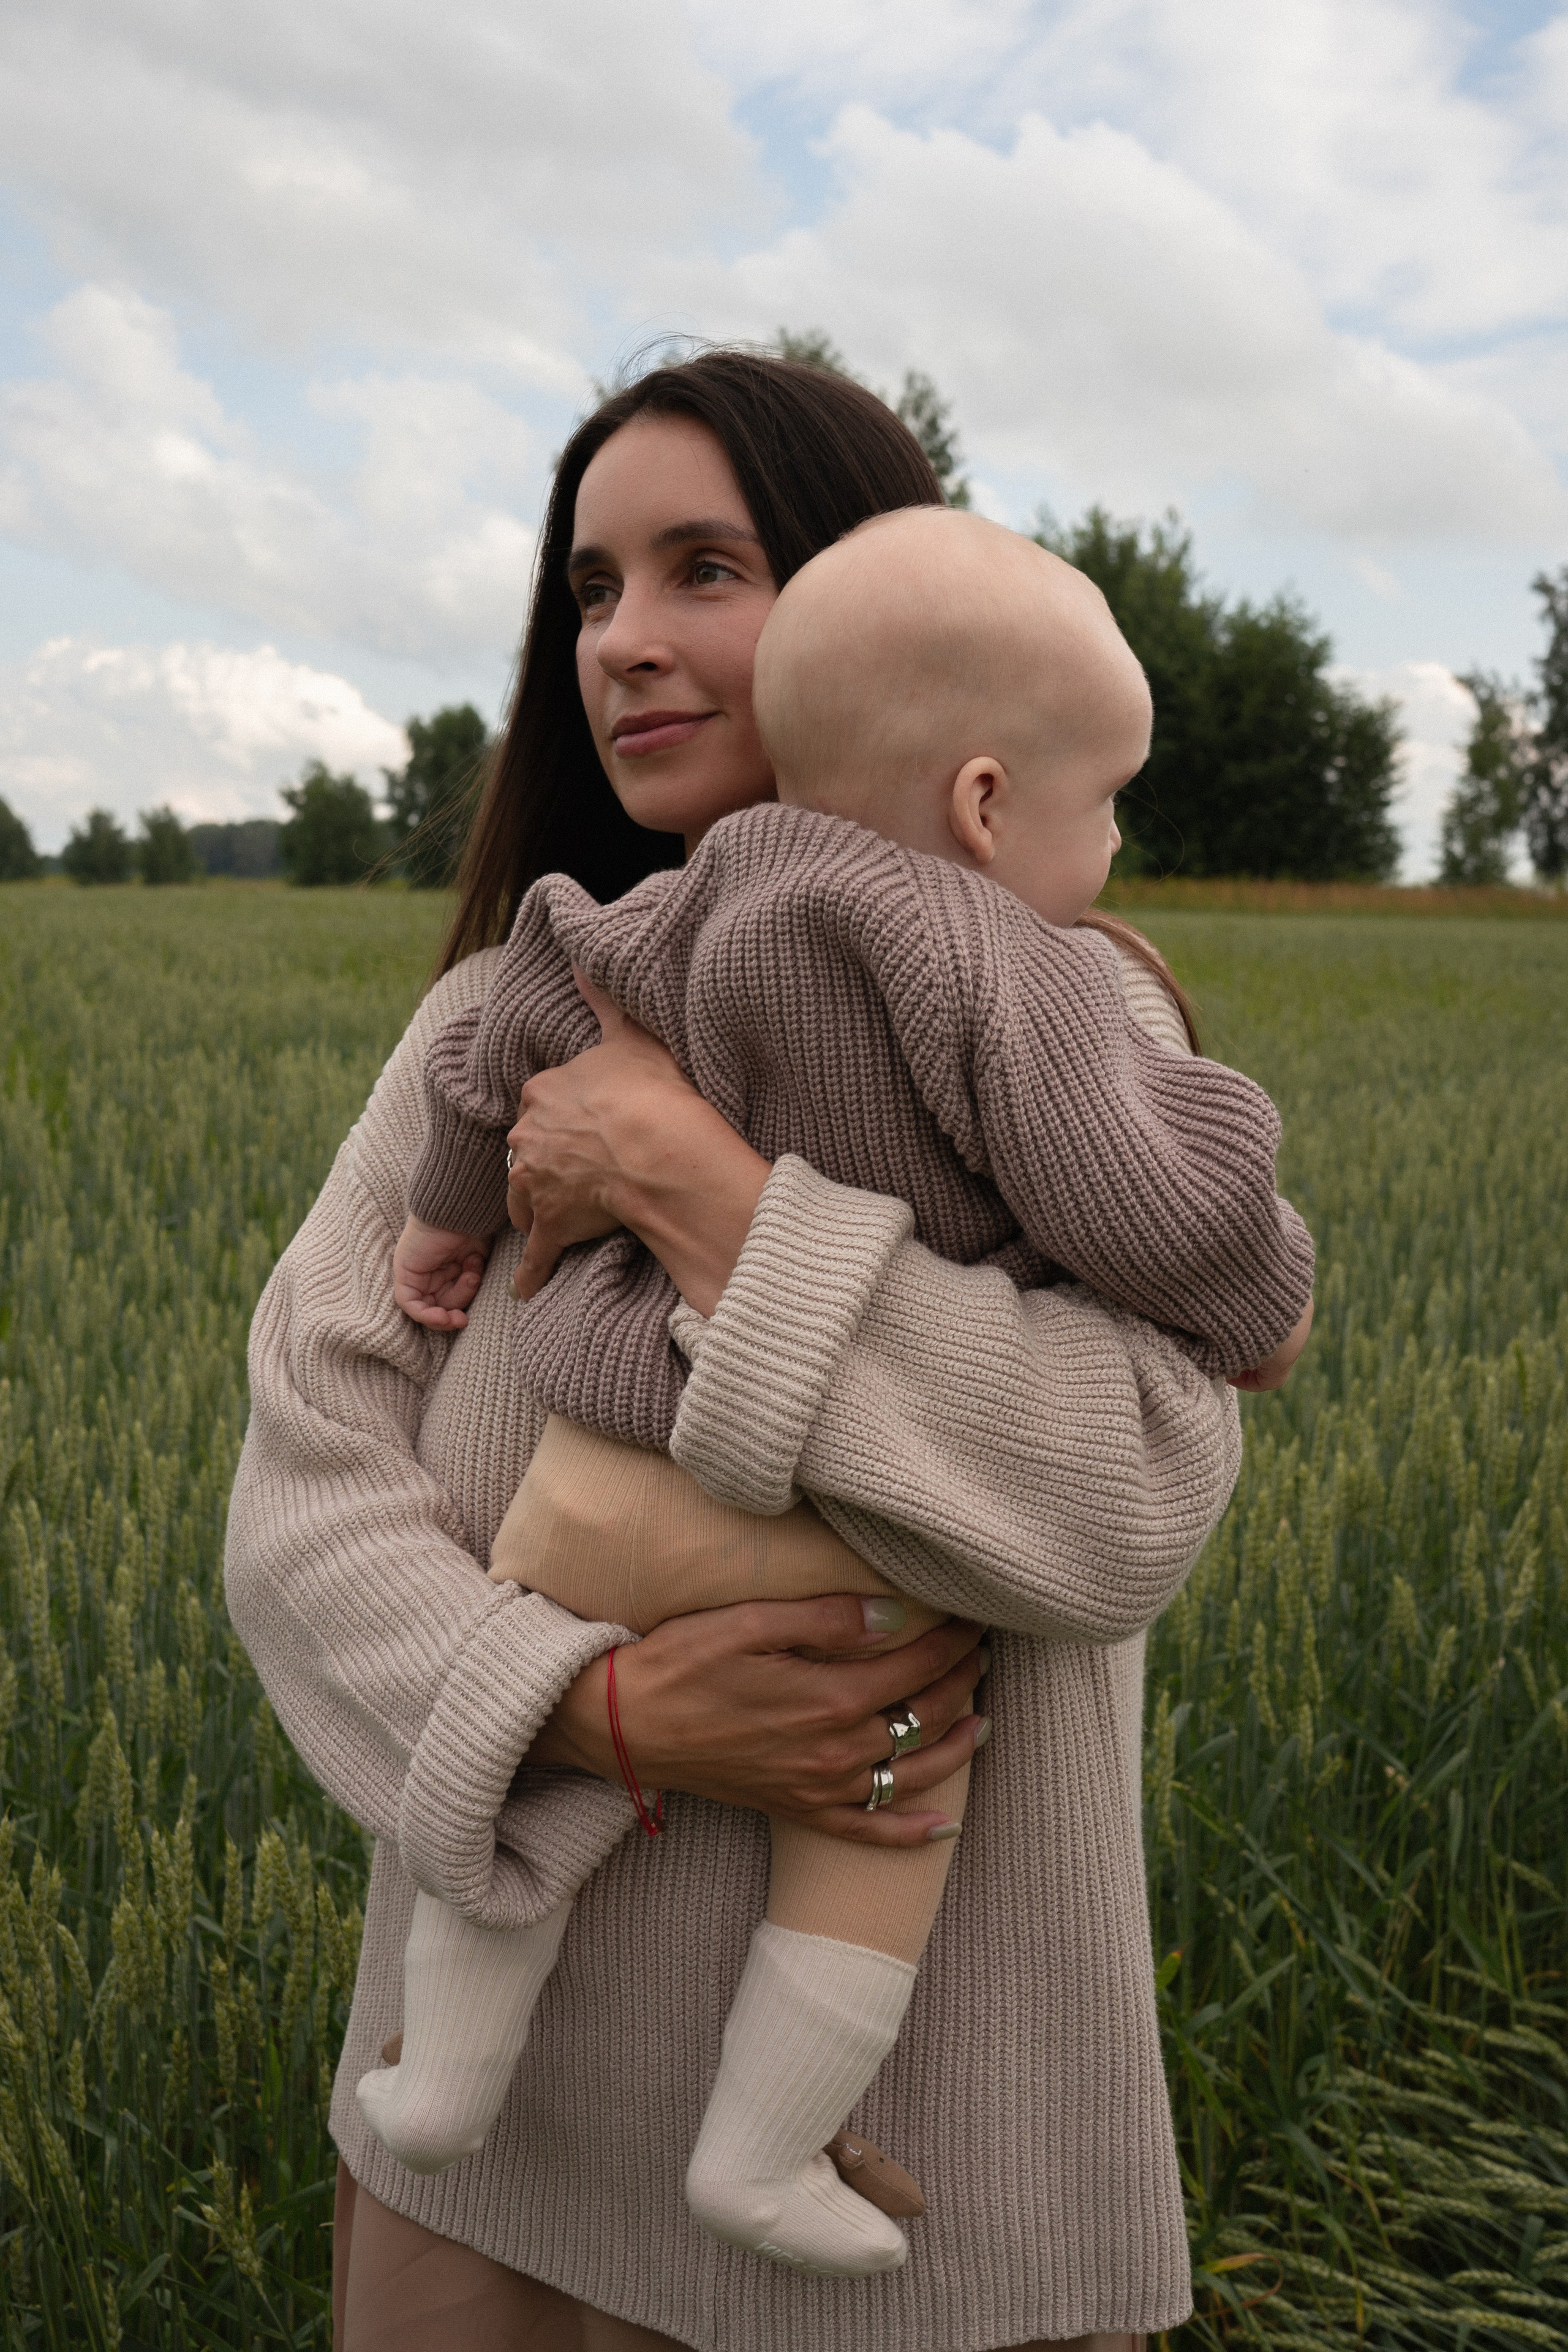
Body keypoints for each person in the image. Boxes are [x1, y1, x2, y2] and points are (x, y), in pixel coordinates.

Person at [225, 350, 1251, 2352]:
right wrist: (590, 1714)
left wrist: (708, 1198)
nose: (628, 641)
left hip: (925, 2203)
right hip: (494, 2159)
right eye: (592, 589)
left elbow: (1126, 1492)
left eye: (708, 566)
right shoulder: (493, 1042)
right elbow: (299, 1493)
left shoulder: (1069, 1041)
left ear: (886, 592)